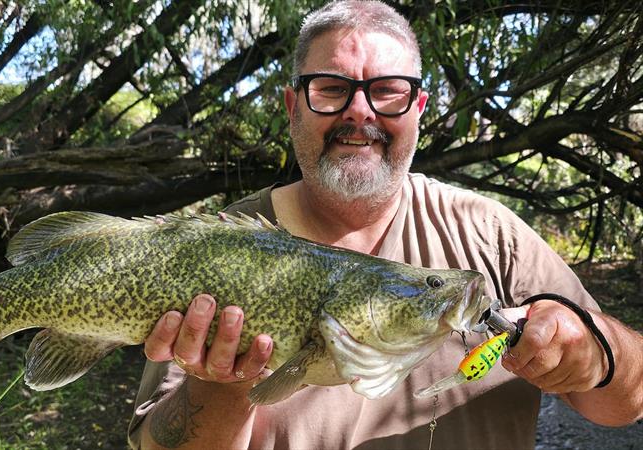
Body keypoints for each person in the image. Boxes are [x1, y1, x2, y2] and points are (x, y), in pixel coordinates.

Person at [128, 1, 643, 448]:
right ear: (293, 107)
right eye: (331, 89)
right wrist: (222, 383)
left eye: (388, 92)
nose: (359, 111)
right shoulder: (212, 245)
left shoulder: (490, 233)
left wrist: (596, 354)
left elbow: (627, 405)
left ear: (418, 107)